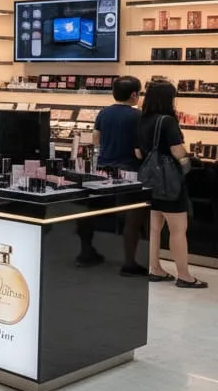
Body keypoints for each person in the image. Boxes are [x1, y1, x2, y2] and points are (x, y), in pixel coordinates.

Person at [135, 80, 206, 288]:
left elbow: (137, 152)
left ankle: (154, 268)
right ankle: (184, 276)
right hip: (169, 183)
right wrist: (186, 164)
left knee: (154, 228)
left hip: (149, 181)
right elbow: (177, 151)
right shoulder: (167, 121)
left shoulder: (142, 119)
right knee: (178, 229)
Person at [78, 76, 149, 274]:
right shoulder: (138, 116)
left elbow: (95, 140)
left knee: (91, 212)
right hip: (129, 171)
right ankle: (129, 263)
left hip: (102, 169)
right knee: (133, 217)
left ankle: (85, 252)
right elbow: (139, 149)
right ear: (134, 94)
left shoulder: (103, 113)